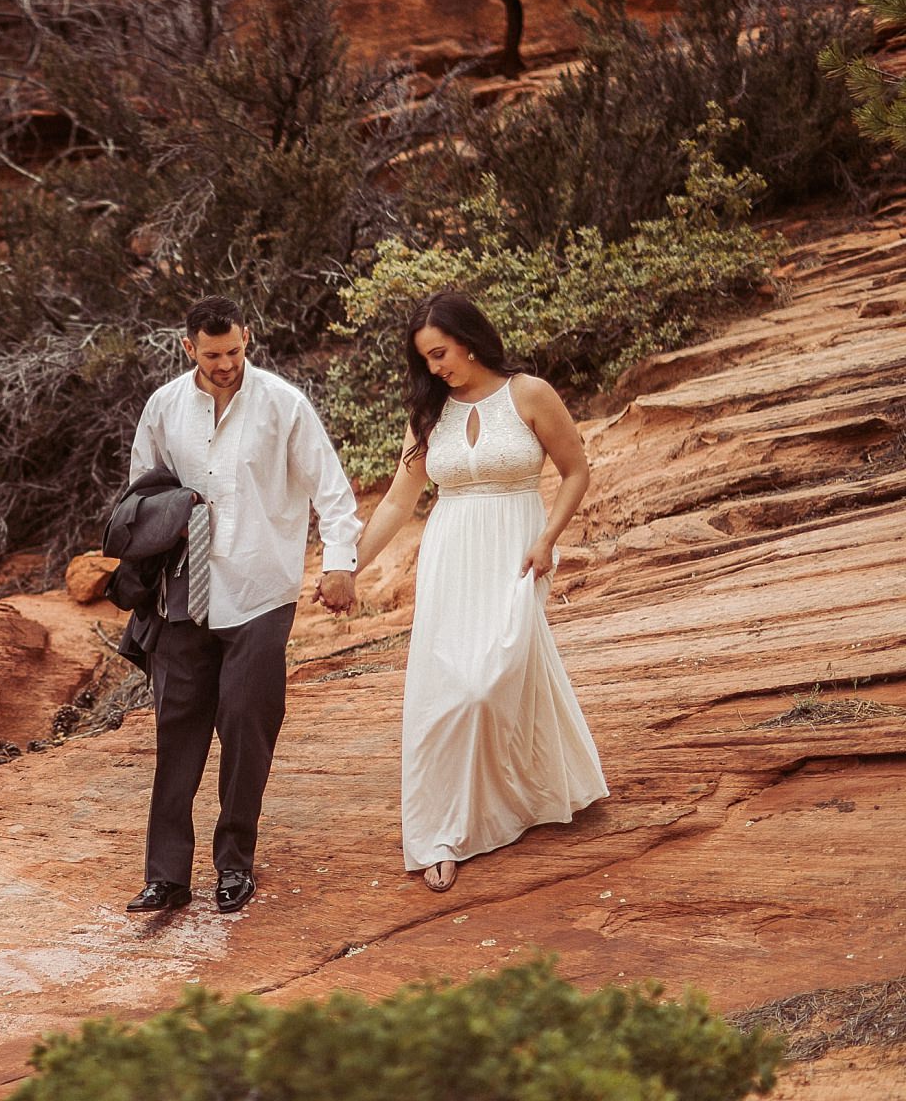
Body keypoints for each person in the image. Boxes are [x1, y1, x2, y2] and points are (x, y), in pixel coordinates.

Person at [351, 290, 608, 892]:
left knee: (495, 678)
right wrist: (349, 567)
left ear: (468, 339)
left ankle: (527, 794)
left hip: (516, 549)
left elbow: (576, 471)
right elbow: (397, 500)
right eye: (425, 360)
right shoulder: (427, 413)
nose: (436, 368)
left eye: (441, 353)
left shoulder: (529, 394)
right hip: (451, 555)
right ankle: (438, 829)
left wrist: (548, 539)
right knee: (450, 689)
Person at [120, 295, 362, 915]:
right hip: (182, 594)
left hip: (259, 589)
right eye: (212, 354)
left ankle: (235, 864)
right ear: (188, 349)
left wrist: (339, 564)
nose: (226, 364)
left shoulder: (283, 404)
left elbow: (331, 490)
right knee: (177, 732)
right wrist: (165, 524)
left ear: (247, 338)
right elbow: (139, 492)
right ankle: (166, 876)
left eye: (234, 352)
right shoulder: (164, 407)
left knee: (248, 728)